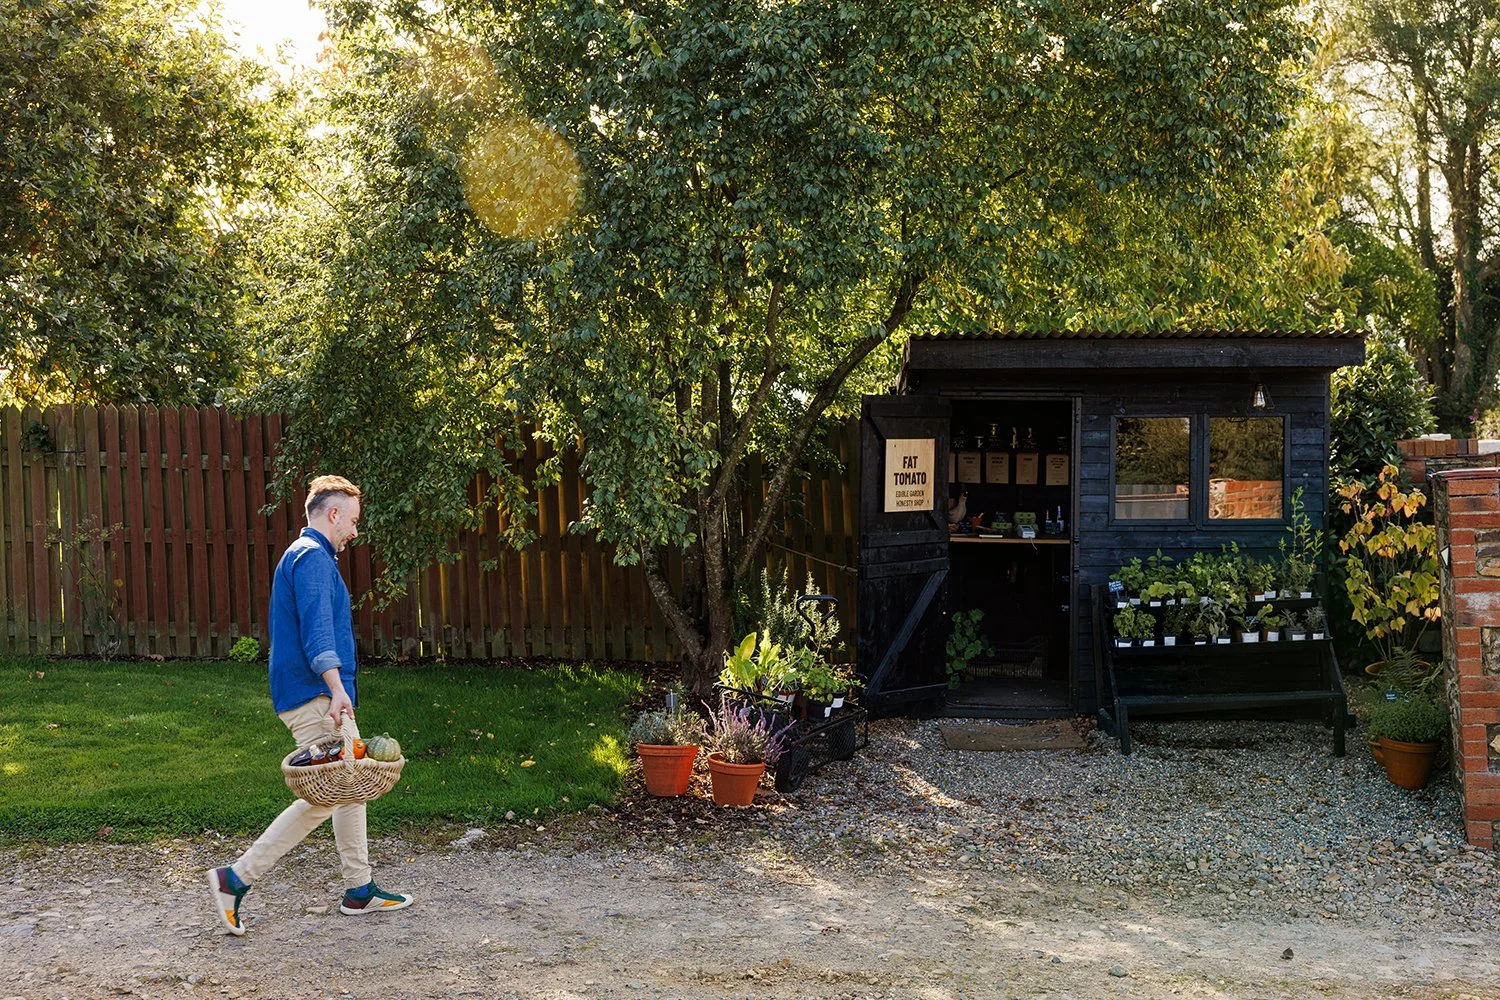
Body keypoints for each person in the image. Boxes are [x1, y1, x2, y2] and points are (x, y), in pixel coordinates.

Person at [207, 475, 412, 935]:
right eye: (353, 521)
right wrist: (337, 688)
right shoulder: (314, 558)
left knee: (349, 784)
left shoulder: (304, 556)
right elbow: (318, 631)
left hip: (315, 691)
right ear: (333, 514)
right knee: (329, 792)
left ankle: (360, 891)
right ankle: (234, 878)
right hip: (316, 693)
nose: (356, 532)